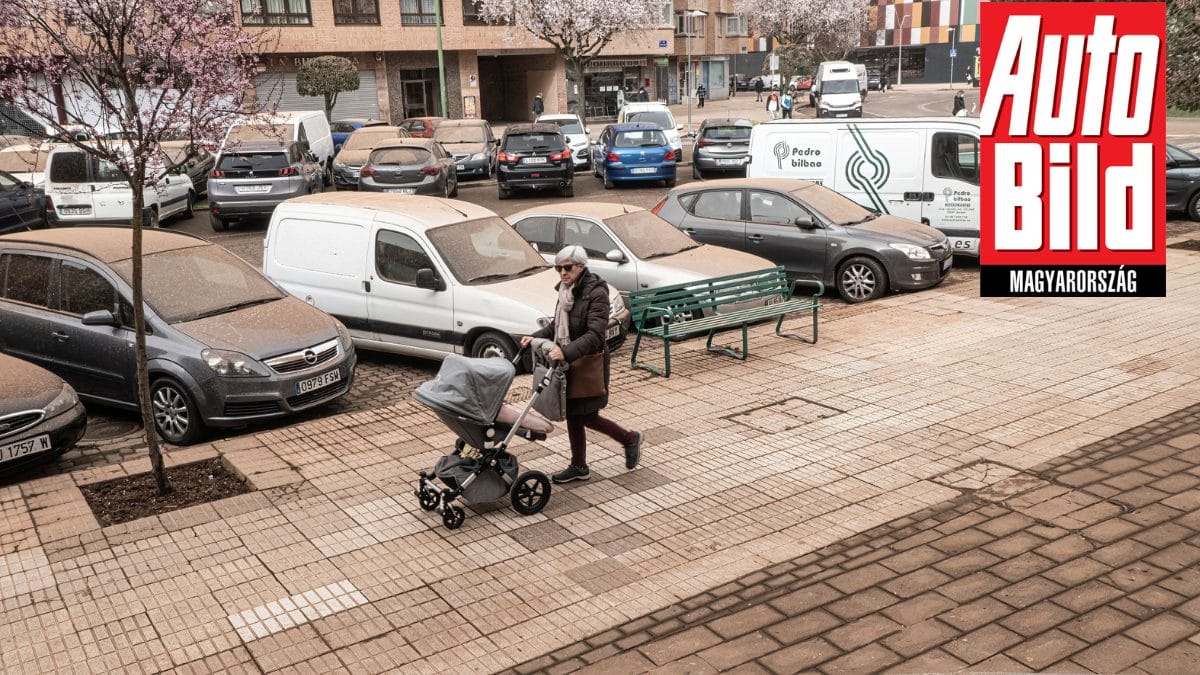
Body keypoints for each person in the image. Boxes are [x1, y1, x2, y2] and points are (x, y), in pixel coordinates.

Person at [521, 246, 642, 484]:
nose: (563, 273)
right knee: (576, 415)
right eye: (559, 268)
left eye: (567, 268)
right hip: (569, 363)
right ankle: (580, 465)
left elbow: (596, 334)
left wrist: (564, 352)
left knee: (585, 416)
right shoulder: (566, 290)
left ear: (581, 266)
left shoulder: (596, 293)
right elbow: (557, 325)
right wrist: (533, 337)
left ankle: (628, 439)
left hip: (588, 363)